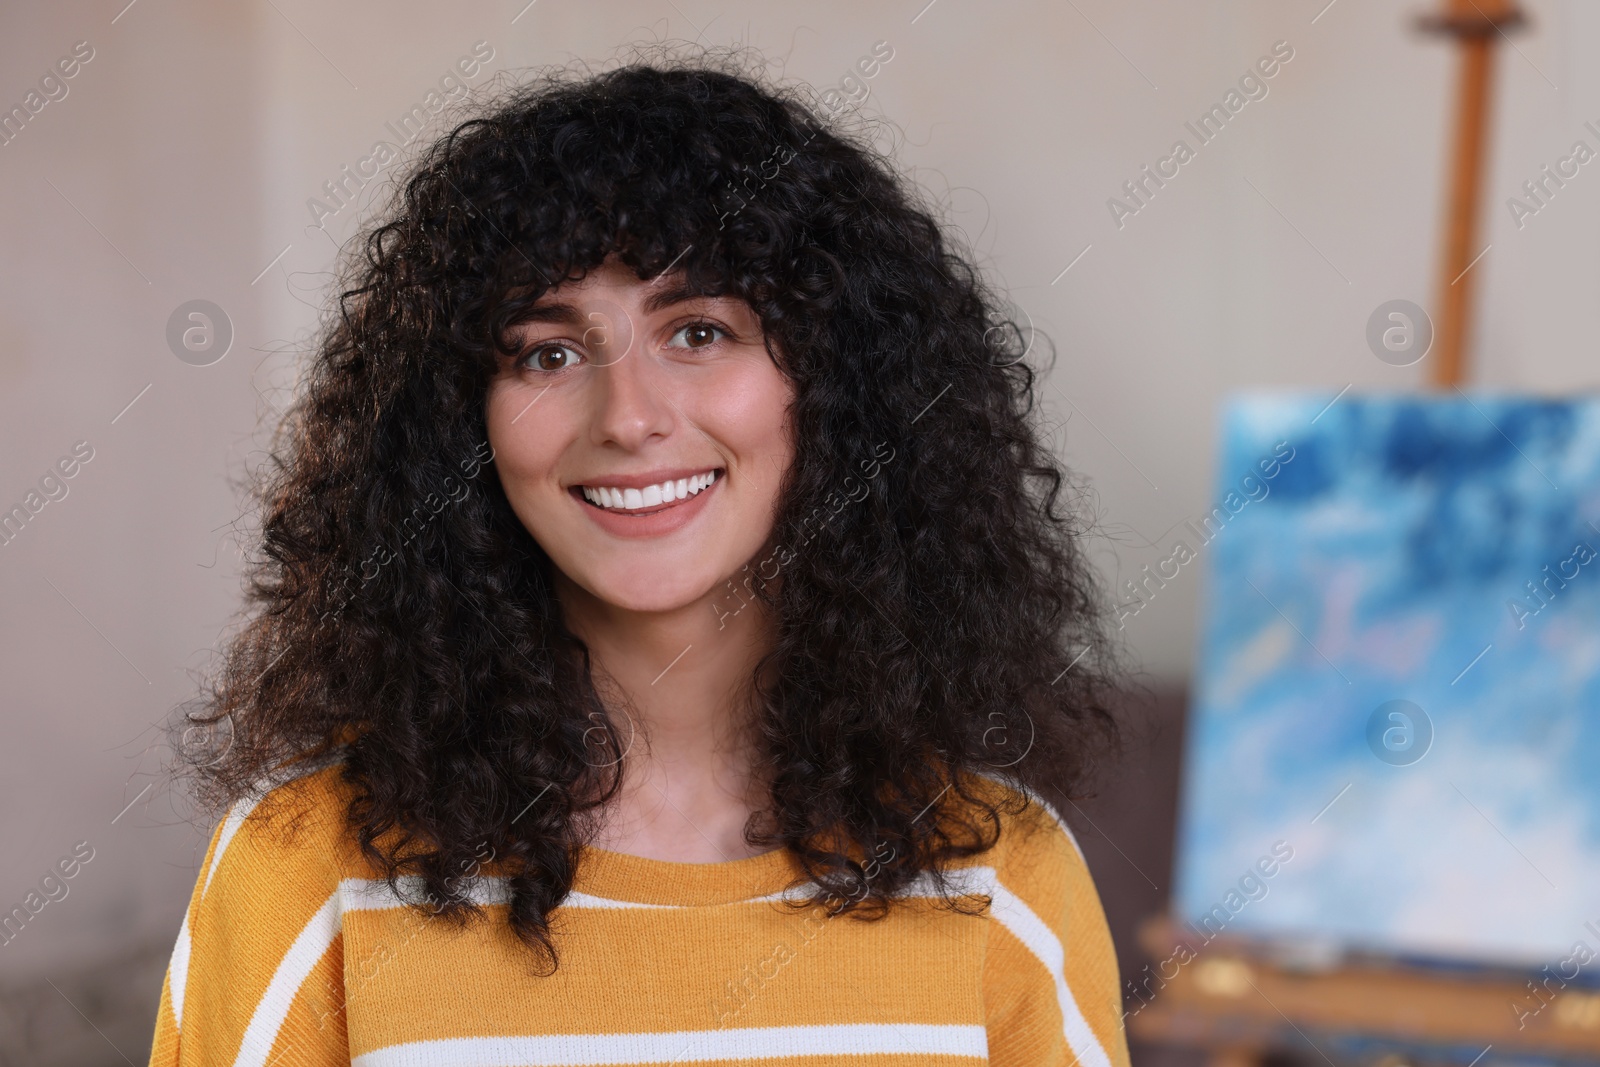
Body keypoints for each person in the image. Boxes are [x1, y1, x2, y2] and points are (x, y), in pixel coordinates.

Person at [151, 49, 1130, 1067]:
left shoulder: (1000, 873)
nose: (627, 417)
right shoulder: (298, 875)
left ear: (840, 391)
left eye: (698, 330)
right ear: (457, 425)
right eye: (547, 351)